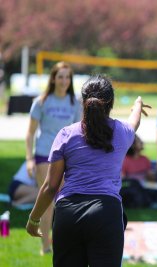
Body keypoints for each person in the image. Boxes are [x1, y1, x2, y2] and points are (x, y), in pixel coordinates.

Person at [26, 75, 151, 267]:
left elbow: (51, 187)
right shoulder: (123, 132)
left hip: (68, 213)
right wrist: (137, 104)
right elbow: (134, 121)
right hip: (106, 213)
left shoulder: (66, 134)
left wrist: (34, 219)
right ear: (111, 103)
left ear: (82, 102)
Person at [25, 61, 82, 254]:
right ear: (53, 78)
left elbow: (79, 132)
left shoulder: (75, 103)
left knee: (64, 202)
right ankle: (46, 246)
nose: (64, 81)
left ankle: (64, 244)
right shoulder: (41, 102)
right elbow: (30, 133)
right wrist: (29, 159)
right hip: (44, 155)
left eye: (68, 77)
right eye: (61, 76)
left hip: (67, 156)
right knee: (48, 200)